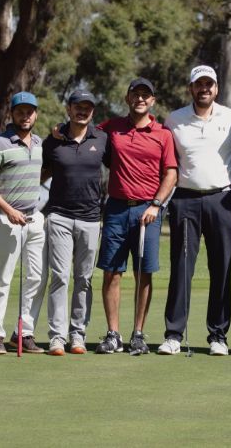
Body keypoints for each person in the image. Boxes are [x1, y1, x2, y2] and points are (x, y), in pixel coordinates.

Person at [156, 65, 231, 356]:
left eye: (209, 84)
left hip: (222, 199)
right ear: (191, 88)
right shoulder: (175, 119)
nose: (204, 88)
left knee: (222, 267)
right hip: (185, 200)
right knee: (181, 267)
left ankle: (218, 336)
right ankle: (174, 335)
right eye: (199, 84)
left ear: (216, 88)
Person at [94, 77, 178, 355]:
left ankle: (138, 334)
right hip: (116, 209)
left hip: (148, 211)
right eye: (136, 94)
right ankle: (113, 335)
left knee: (144, 273)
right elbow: (84, 133)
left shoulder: (163, 134)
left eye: (145, 95)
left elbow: (171, 173)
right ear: (128, 98)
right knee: (111, 272)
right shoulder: (112, 127)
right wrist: (60, 131)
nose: (140, 98)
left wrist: (156, 205)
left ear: (152, 100)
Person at [40, 90, 109, 356]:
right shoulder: (53, 141)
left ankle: (77, 334)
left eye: (87, 107)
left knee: (84, 279)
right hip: (59, 216)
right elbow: (39, 170)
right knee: (59, 276)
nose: (82, 111)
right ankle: (57, 337)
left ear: (92, 111)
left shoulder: (101, 139)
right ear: (68, 109)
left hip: (90, 218)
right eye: (78, 106)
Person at [0, 91, 47, 355]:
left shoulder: (39, 143)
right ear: (12, 114)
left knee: (35, 278)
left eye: (30, 112)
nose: (25, 116)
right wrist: (9, 210)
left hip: (34, 219)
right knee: (3, 279)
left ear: (36, 114)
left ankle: (24, 333)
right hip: (7, 220)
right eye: (20, 112)